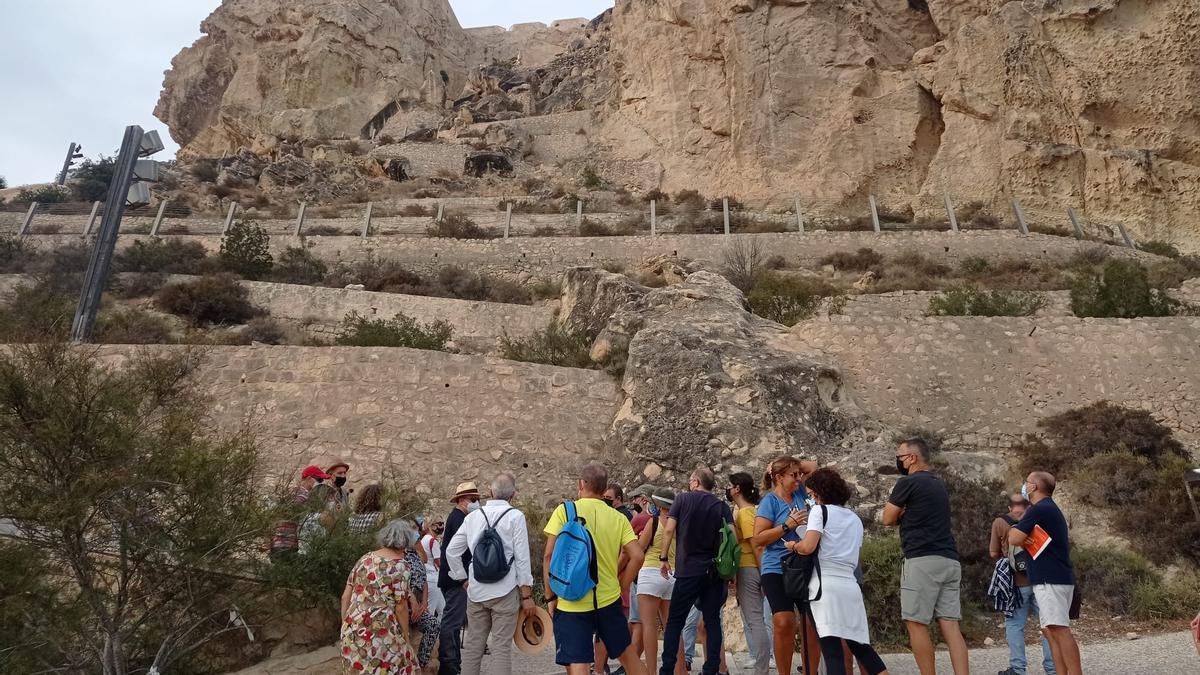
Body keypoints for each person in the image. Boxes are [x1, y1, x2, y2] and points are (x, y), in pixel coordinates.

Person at [542, 463, 649, 675]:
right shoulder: (618, 518)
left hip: (571, 600)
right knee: (627, 655)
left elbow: (548, 556)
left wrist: (550, 597)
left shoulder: (564, 511)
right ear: (604, 489)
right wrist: (623, 585)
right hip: (607, 599)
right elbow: (637, 555)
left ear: (581, 484)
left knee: (578, 661)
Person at [786, 468, 889, 675]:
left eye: (810, 494)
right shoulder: (854, 519)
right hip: (850, 587)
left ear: (817, 493)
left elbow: (808, 546)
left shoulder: (819, 512)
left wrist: (794, 546)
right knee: (861, 647)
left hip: (825, 587)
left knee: (831, 649)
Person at [882, 438, 970, 675]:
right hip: (949, 559)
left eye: (899, 456)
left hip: (922, 559)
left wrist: (901, 514)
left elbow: (887, 518)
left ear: (912, 458)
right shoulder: (938, 484)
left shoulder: (908, 483)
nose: (898, 460)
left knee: (916, 623)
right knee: (951, 625)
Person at [445, 472, 535, 675]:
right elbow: (522, 557)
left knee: (473, 646)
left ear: (490, 492)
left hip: (476, 590)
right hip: (505, 590)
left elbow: (451, 551)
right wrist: (526, 595)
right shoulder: (515, 517)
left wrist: (463, 578)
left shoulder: (473, 517)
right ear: (514, 495)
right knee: (501, 647)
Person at [657, 467, 733, 675]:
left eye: (691, 480)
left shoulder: (682, 500)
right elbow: (732, 537)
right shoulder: (721, 506)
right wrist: (730, 572)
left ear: (696, 481)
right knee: (712, 621)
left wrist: (664, 558)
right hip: (714, 572)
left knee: (675, 621)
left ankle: (667, 669)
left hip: (688, 570)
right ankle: (711, 669)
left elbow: (670, 529)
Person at [752, 455, 822, 675]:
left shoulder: (801, 493)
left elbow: (814, 466)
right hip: (777, 567)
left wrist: (793, 465)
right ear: (779, 478)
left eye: (799, 475)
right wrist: (786, 525)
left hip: (804, 564)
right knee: (783, 622)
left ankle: (811, 670)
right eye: (793, 475)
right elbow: (758, 539)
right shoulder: (769, 502)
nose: (799, 479)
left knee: (811, 624)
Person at [1008, 472, 1081, 675]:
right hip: (1053, 577)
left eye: (1027, 482)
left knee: (1059, 629)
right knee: (1051, 632)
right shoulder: (1048, 509)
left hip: (1051, 579)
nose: (1024, 485)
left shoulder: (1039, 509)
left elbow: (1013, 537)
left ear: (1033, 487)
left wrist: (1017, 532)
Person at [340, 519, 422, 674]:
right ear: (406, 540)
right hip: (380, 632)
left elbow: (345, 597)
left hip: (352, 629)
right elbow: (401, 607)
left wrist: (346, 626)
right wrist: (406, 638)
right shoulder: (400, 566)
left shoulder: (365, 559)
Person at [990, 494, 1055, 675]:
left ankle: (1018, 669)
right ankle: (1053, 668)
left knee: (1014, 624)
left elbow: (993, 552)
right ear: (1028, 506)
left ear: (1010, 507)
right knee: (1048, 625)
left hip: (1017, 585)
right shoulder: (1038, 519)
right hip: (1041, 581)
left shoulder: (1000, 522)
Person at [635, 488, 686, 675]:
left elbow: (639, 549)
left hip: (651, 572)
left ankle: (651, 670)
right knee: (672, 626)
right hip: (672, 575)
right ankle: (681, 670)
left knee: (649, 625)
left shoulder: (653, 522)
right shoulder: (679, 524)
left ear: (658, 504)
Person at [728, 472, 771, 675]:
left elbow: (756, 545)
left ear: (737, 489)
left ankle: (761, 668)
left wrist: (765, 574)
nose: (727, 489)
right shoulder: (753, 510)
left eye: (730, 485)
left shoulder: (745, 513)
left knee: (755, 620)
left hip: (748, 567)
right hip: (755, 568)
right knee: (757, 620)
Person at [437, 481, 482, 675]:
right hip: (456, 580)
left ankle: (452, 663)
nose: (477, 503)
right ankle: (449, 665)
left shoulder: (457, 517)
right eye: (474, 499)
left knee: (453, 622)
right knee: (451, 622)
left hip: (453, 579)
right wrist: (463, 579)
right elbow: (453, 553)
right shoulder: (459, 519)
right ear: (463, 500)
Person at [270, 464, 329, 560]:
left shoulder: (290, 492)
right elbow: (295, 513)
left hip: (277, 542)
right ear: (309, 478)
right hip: (287, 544)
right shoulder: (303, 494)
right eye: (319, 480)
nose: (321, 483)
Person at [421, 518, 447, 618]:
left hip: (428, 577)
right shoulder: (433, 541)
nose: (442, 527)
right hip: (432, 578)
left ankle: (437, 632)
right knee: (430, 611)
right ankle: (429, 632)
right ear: (431, 525)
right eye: (439, 524)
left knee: (443, 609)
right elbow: (438, 562)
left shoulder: (424, 539)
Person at [297, 483, 334, 555]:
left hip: (301, 555)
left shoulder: (305, 515)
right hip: (315, 556)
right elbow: (335, 533)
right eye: (331, 498)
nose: (333, 501)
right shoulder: (324, 516)